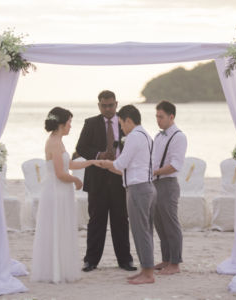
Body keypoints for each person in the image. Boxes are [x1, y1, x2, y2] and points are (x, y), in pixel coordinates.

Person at [31, 107, 98, 283]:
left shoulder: (58, 140)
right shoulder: (54, 142)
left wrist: (90, 162)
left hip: (60, 189)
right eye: (69, 122)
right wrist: (76, 181)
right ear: (61, 123)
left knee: (61, 227)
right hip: (56, 190)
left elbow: (68, 165)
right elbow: (61, 173)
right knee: (57, 227)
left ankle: (59, 267)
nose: (70, 126)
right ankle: (55, 271)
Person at [76, 90, 135, 272]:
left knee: (121, 220)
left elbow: (134, 145)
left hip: (119, 178)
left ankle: (125, 260)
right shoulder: (90, 123)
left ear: (116, 104)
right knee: (96, 221)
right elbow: (81, 147)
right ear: (99, 105)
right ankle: (91, 260)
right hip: (97, 179)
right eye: (104, 105)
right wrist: (98, 154)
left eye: (110, 105)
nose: (107, 109)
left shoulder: (125, 122)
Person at [99, 104, 156, 285]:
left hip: (139, 189)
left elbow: (120, 164)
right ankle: (146, 270)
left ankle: (148, 274)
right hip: (145, 186)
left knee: (141, 232)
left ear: (129, 121)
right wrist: (112, 165)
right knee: (144, 231)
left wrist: (101, 162)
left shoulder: (133, 137)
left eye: (121, 124)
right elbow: (128, 168)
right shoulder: (146, 136)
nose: (121, 128)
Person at [151, 101, 187, 275]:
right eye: (157, 116)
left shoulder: (179, 136)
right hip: (155, 184)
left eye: (161, 117)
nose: (158, 120)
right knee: (160, 224)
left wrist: (154, 172)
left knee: (171, 224)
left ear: (171, 117)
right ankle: (166, 259)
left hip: (168, 184)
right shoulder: (158, 136)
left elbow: (175, 165)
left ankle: (175, 263)